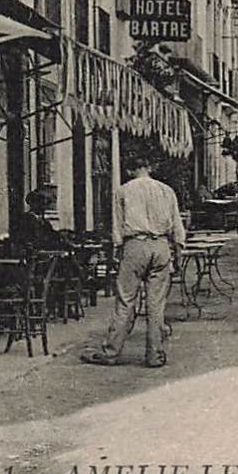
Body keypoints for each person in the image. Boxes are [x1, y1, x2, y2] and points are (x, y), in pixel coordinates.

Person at [82, 156, 185, 368]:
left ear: (130, 170)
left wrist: (116, 253)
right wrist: (178, 252)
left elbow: (117, 228)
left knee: (126, 300)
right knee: (156, 304)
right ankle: (155, 355)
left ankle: (111, 352)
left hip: (135, 246)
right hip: (161, 245)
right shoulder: (166, 191)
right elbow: (177, 226)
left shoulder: (123, 191)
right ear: (149, 166)